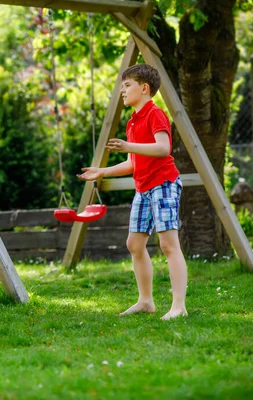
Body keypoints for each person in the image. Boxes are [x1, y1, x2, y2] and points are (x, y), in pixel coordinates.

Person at [77, 63, 188, 320]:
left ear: (145, 88)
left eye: (127, 85)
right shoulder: (132, 122)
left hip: (164, 184)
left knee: (169, 245)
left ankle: (179, 307)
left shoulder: (155, 114)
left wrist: (129, 145)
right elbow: (132, 162)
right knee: (134, 243)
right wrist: (101, 171)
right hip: (144, 188)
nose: (122, 91)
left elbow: (163, 148)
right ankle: (146, 301)